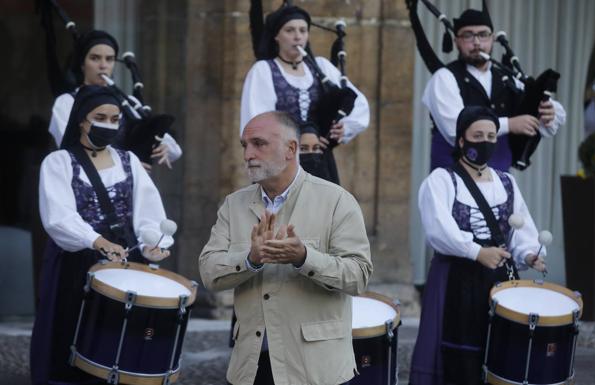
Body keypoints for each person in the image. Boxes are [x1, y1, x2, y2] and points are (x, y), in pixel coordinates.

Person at [198, 111, 373, 385]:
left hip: (316, 369)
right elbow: (208, 272)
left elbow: (358, 276)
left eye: (259, 143)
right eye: (245, 145)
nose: (248, 154)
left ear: (291, 149)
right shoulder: (234, 205)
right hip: (250, 366)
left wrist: (304, 258)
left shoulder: (337, 200)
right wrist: (250, 260)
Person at [31, 85, 173, 385]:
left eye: (114, 118)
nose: (108, 124)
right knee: (73, 343)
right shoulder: (58, 163)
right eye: (100, 117)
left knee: (122, 346)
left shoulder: (129, 161)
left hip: (125, 266)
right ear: (82, 120)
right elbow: (59, 218)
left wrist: (151, 245)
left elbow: (148, 214)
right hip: (76, 265)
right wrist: (96, 240)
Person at [409, 106, 547, 385]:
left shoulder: (506, 182)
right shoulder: (441, 180)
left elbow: (519, 230)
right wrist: (476, 252)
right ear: (462, 140)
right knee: (459, 352)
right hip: (456, 278)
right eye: (478, 135)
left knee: (499, 350)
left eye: (491, 136)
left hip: (498, 278)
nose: (485, 141)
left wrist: (528, 253)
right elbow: (439, 230)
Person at [422, 9, 566, 172]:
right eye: (468, 35)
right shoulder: (444, 77)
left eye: (483, 34)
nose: (477, 42)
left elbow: (556, 115)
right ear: (456, 41)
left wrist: (548, 112)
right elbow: (453, 128)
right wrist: (510, 124)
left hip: (498, 180)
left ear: (492, 39)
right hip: (452, 180)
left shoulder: (509, 79)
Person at [240, 4, 369, 184]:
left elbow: (357, 102)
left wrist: (343, 127)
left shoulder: (321, 67)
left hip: (321, 162)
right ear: (277, 36)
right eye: (290, 30)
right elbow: (256, 121)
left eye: (303, 30)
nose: (297, 36)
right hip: (279, 166)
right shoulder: (263, 71)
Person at [48, 30, 182, 170]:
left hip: (130, 187)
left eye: (109, 59)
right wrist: (126, 166)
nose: (103, 65)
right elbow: (73, 151)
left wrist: (165, 146)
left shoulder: (128, 102)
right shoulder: (67, 102)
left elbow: (175, 151)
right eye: (95, 58)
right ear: (82, 64)